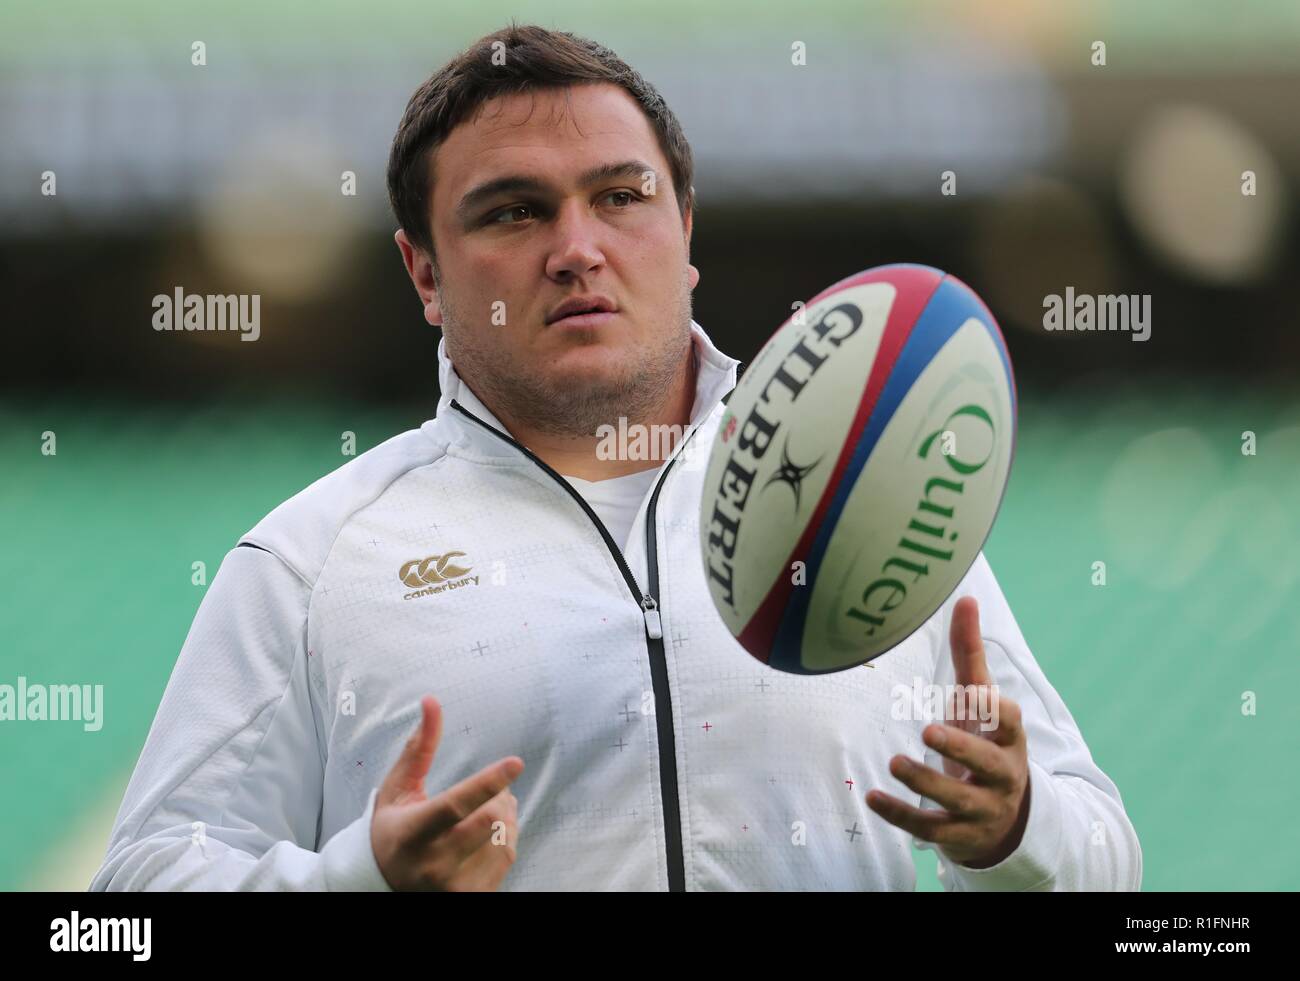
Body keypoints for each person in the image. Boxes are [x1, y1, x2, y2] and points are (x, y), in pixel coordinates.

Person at [90, 23, 1141, 892]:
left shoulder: (860, 489)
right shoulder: (312, 562)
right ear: (422, 273)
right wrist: (353, 880)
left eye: (621, 196)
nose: (577, 247)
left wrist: (1014, 829)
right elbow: (127, 904)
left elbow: (1105, 856)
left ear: (685, 232)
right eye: (514, 211)